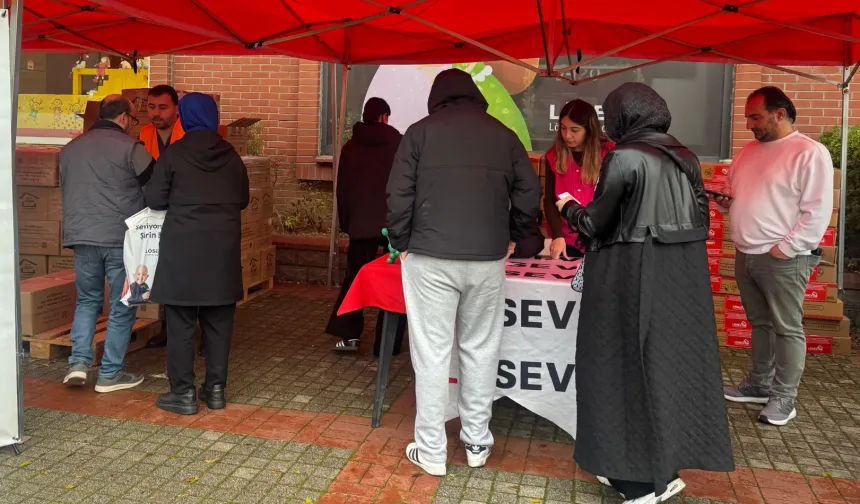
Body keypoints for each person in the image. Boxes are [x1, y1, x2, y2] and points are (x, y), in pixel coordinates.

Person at [557, 82, 733, 504]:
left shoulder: (624, 156)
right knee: (666, 369)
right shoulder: (686, 155)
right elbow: (700, 221)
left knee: (620, 369)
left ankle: (638, 479)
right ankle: (664, 467)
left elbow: (594, 224)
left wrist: (567, 206)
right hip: (681, 277)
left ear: (623, 116)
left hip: (626, 276)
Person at [387, 69, 540, 476]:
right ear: (475, 95)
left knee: (432, 354)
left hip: (429, 257)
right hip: (487, 258)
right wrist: (515, 234)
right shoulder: (503, 135)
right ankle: (476, 442)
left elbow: (397, 193)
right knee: (481, 348)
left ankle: (432, 450)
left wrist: (401, 242)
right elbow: (529, 191)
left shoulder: (418, 133)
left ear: (436, 99)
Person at [717, 86, 833, 426]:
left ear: (779, 113)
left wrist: (786, 247)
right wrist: (726, 202)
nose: (749, 124)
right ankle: (759, 383)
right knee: (761, 324)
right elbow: (735, 193)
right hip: (747, 252)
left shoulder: (809, 153)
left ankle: (785, 397)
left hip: (782, 257)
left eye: (756, 116)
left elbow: (817, 210)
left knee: (786, 328)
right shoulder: (747, 152)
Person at [144, 93, 249, 415]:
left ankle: (183, 393)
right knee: (219, 324)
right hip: (222, 252)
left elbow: (155, 200)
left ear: (184, 117)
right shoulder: (232, 157)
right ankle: (216, 390)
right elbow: (244, 199)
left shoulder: (174, 155)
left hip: (183, 251)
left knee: (181, 325)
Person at [60, 95, 153, 393]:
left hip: (82, 236)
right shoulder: (132, 148)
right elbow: (156, 185)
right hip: (120, 239)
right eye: (135, 119)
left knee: (87, 300)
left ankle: (78, 363)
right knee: (122, 304)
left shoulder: (71, 149)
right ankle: (110, 373)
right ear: (124, 117)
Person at [325, 97, 408, 355]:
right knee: (395, 278)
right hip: (393, 221)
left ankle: (349, 336)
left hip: (361, 222)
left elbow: (343, 189)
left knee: (355, 277)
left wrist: (349, 223)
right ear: (384, 116)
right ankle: (386, 343)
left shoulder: (350, 147)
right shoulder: (398, 143)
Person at [543, 99, 614, 259]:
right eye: (563, 128)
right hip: (566, 240)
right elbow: (549, 200)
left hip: (600, 240)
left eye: (574, 130)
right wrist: (557, 236)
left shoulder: (609, 153)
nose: (567, 135)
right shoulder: (553, 155)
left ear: (589, 130)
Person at [140, 85, 185, 160]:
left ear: (177, 109)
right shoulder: (145, 132)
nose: (156, 113)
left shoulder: (186, 132)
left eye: (163, 108)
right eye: (151, 107)